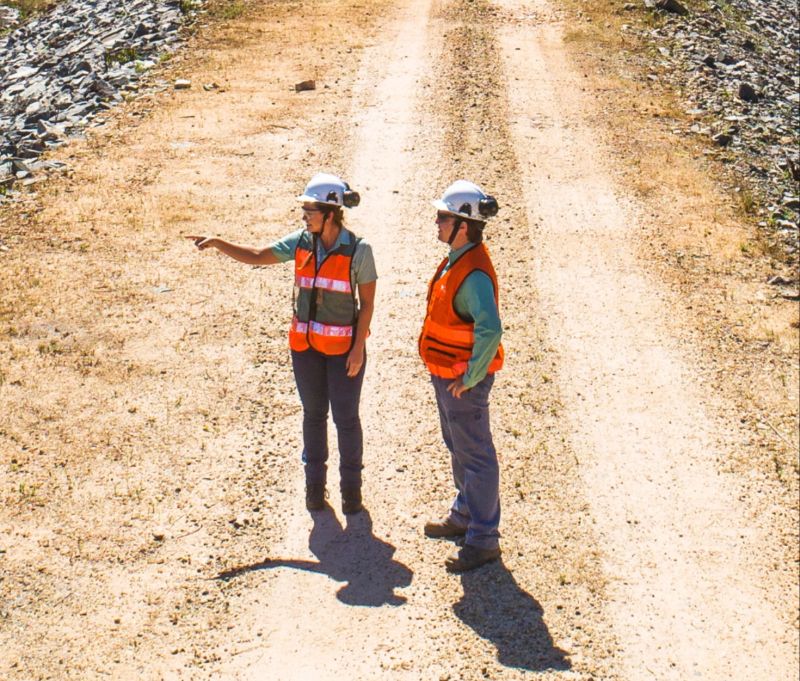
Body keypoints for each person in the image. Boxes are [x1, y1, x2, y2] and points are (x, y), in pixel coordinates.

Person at [188, 173, 377, 515]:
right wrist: (219, 243)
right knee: (313, 415)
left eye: (309, 210)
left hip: (343, 353)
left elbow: (367, 306)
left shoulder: (360, 251)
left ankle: (352, 492)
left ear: (330, 213)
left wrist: (358, 349)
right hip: (305, 350)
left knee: (346, 420)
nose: (304, 216)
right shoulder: (301, 242)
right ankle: (314, 491)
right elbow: (259, 255)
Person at [419, 180, 504, 573]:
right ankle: (465, 514)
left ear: (463, 225)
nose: (436, 223)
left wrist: (471, 376)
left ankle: (484, 540)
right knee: (459, 447)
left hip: (461, 381)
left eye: (443, 218)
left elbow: (491, 330)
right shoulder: (458, 258)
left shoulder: (473, 274)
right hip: (448, 376)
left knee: (476, 455)